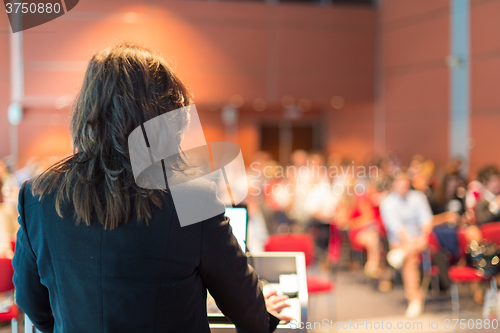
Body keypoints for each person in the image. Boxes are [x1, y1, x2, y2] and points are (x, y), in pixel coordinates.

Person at [13, 43, 291, 333]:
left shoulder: (39, 196)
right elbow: (250, 316)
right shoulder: (191, 197)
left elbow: (33, 306)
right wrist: (263, 311)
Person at [380, 170, 433, 318]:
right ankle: (414, 299)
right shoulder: (387, 202)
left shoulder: (418, 197)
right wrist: (412, 242)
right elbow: (396, 228)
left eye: (406, 184)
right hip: (400, 241)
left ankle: (402, 254)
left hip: (421, 238)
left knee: (408, 253)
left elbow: (426, 219)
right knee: (411, 258)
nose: (404, 187)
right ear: (393, 185)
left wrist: (423, 236)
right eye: (401, 184)